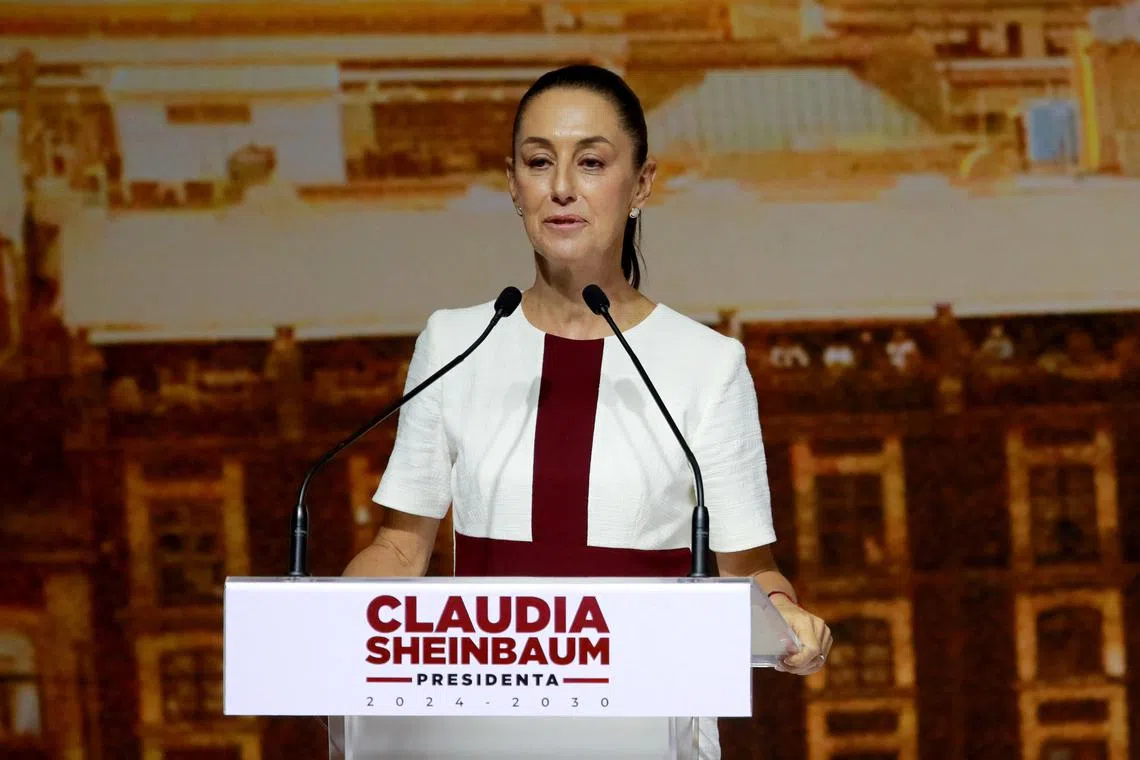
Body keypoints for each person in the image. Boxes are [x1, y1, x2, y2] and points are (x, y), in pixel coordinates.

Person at [343, 64, 833, 756]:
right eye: (539, 162)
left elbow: (747, 569)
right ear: (513, 184)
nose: (562, 187)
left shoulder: (707, 363)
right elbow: (400, 548)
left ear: (642, 184)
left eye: (592, 162)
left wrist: (787, 617)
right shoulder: (455, 343)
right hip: (483, 731)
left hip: (652, 729)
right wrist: (324, 632)